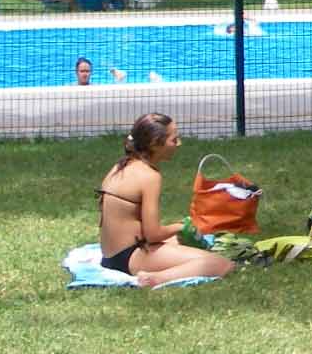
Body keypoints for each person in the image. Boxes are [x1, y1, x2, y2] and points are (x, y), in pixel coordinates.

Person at [95, 113, 233, 286]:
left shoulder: (121, 166)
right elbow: (153, 235)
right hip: (129, 257)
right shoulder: (150, 176)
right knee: (221, 264)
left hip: (110, 255)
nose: (179, 144)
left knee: (183, 241)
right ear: (155, 144)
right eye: (174, 140)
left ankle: (157, 269)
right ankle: (155, 278)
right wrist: (180, 226)